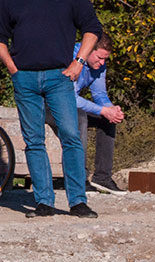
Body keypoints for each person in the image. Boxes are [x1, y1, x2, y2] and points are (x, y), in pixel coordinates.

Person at [0, 0, 101, 218]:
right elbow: (0, 37)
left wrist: (79, 62)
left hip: (60, 76)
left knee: (71, 136)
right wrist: (12, 67)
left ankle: (78, 202)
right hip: (24, 78)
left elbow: (92, 29)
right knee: (34, 141)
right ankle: (44, 202)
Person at [46, 33, 125, 194]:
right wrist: (103, 110)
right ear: (88, 50)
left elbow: (100, 94)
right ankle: (78, 178)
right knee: (80, 117)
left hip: (68, 104)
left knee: (106, 119)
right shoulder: (70, 57)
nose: (102, 63)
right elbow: (70, 97)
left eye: (105, 59)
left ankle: (102, 178)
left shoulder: (99, 65)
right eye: (99, 58)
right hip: (49, 105)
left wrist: (111, 110)